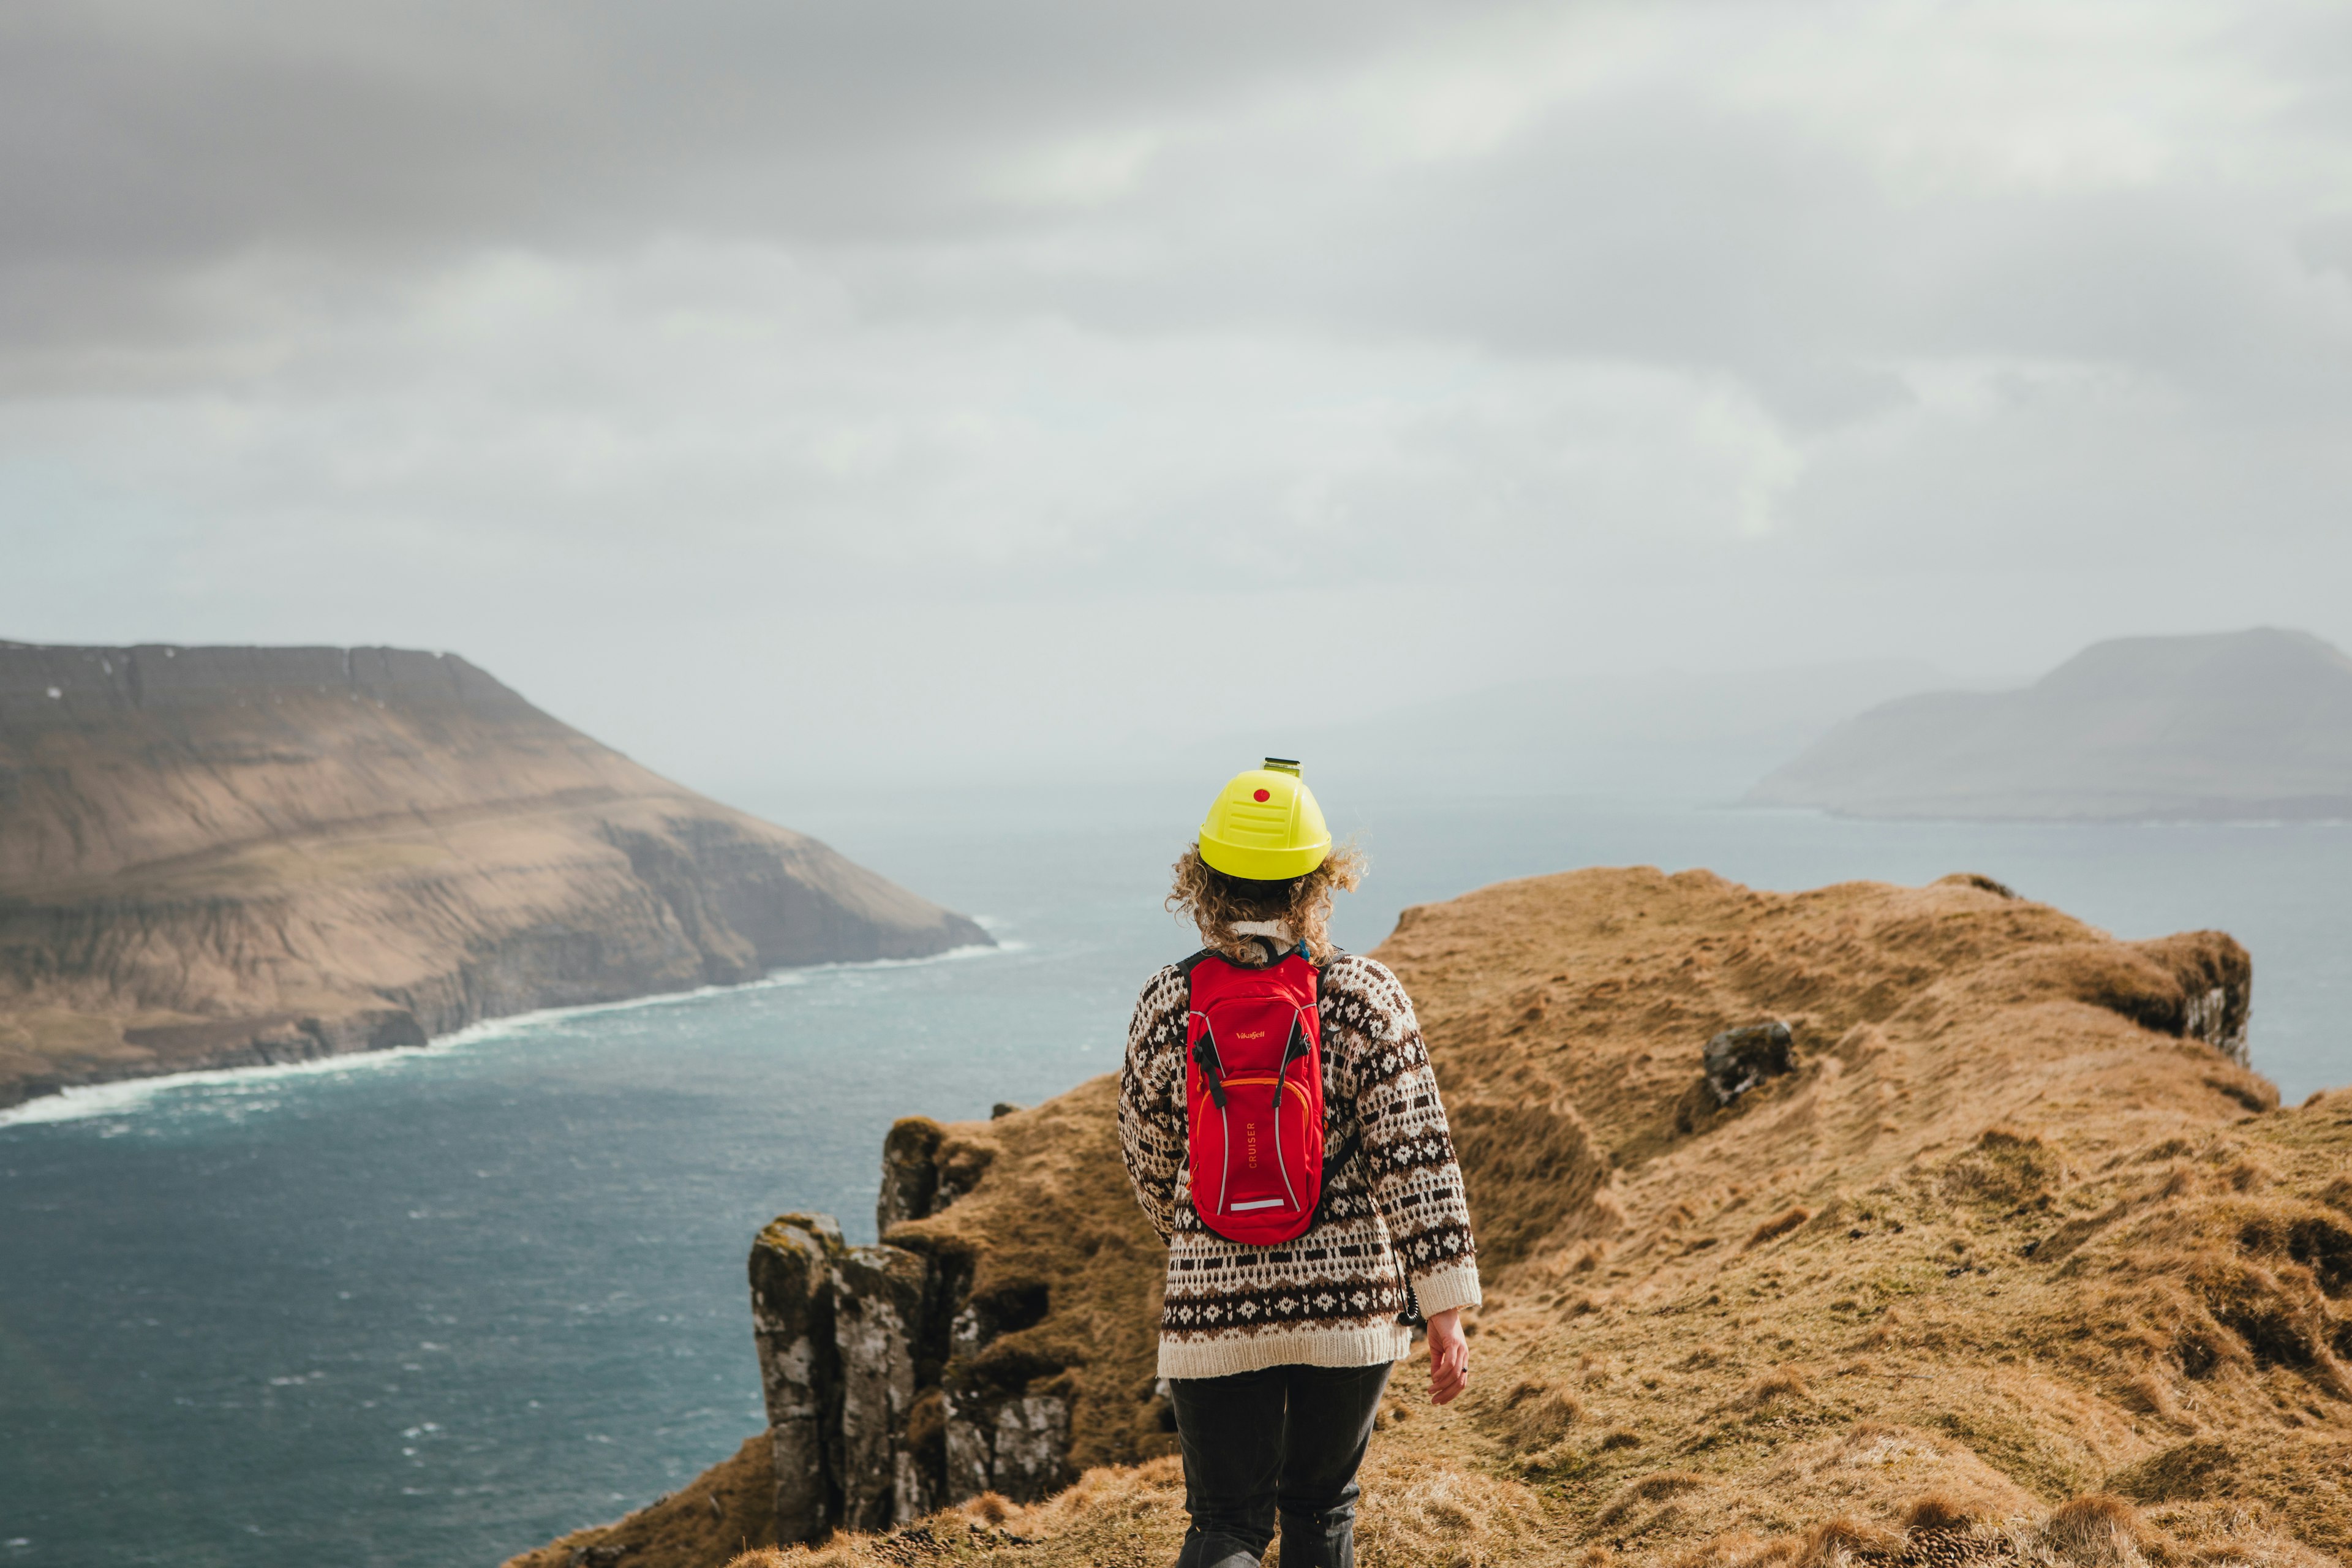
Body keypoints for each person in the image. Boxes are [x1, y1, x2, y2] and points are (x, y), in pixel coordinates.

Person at [1118, 760, 1482, 1568]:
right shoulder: (1364, 993)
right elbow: (1417, 1158)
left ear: (1204, 882)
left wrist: (1203, 1230)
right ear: (1320, 881)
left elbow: (1148, 1163)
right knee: (1321, 1512)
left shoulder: (1164, 1004)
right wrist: (1444, 1307)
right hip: (1348, 1310)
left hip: (1213, 1308)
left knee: (1225, 1523)